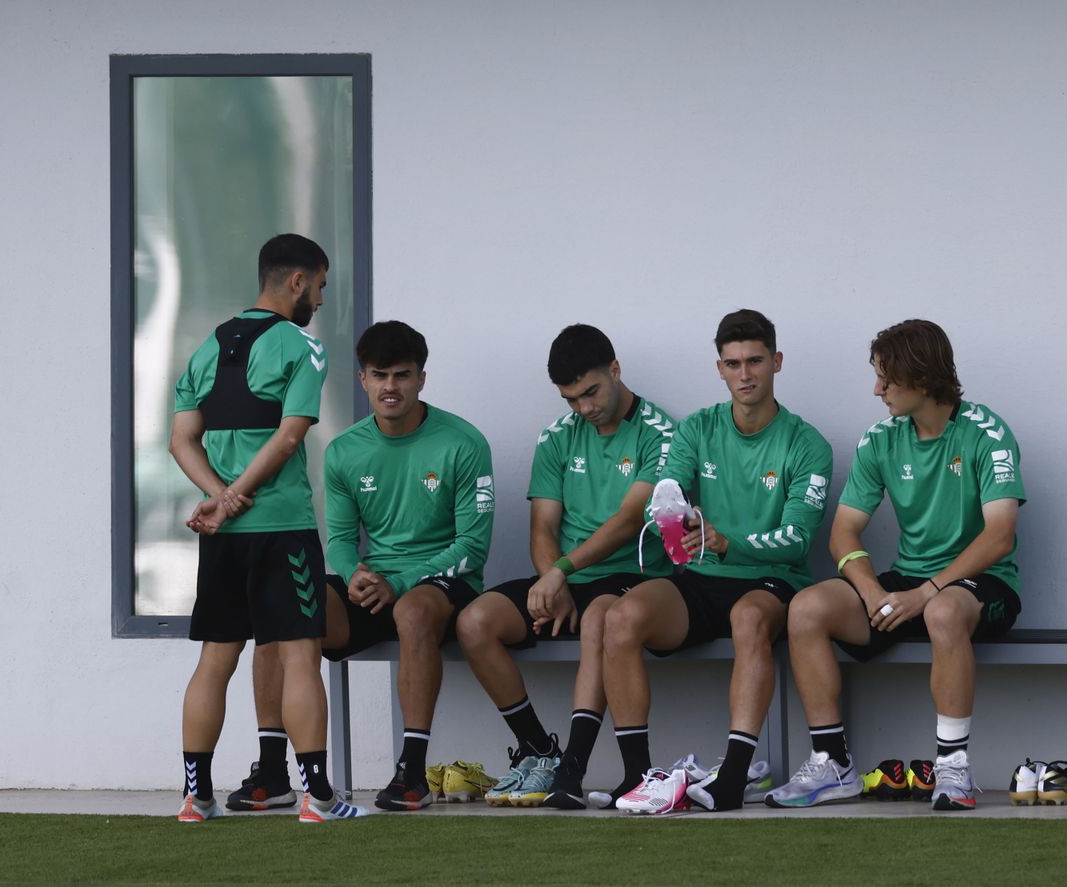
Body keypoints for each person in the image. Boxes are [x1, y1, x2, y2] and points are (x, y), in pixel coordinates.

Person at [764, 319, 1024, 811]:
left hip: (982, 585)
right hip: (910, 587)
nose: (877, 389)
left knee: (943, 611)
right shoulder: (881, 439)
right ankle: (832, 764)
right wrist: (871, 594)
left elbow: (999, 536)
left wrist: (925, 593)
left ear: (922, 378)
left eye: (886, 378)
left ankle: (953, 770)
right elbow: (843, 533)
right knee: (805, 608)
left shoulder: (986, 432)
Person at [601, 309, 833, 813]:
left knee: (748, 617)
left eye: (754, 361)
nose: (744, 374)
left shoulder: (808, 443)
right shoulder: (697, 429)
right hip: (702, 577)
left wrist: (726, 541)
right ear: (720, 368)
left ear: (776, 362)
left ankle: (732, 774)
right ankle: (637, 776)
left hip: (772, 579)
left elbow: (796, 541)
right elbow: (665, 494)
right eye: (733, 364)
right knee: (620, 617)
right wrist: (672, 519)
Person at [168, 233, 366, 823]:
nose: (323, 300)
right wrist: (231, 500)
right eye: (322, 286)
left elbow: (181, 440)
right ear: (298, 282)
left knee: (214, 660)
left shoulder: (206, 348)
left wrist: (217, 498)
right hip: (281, 530)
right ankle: (318, 799)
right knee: (301, 658)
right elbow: (288, 436)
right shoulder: (300, 346)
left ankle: (195, 799)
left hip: (222, 539)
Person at [455, 324, 676, 809]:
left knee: (599, 614)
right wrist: (553, 581)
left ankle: (574, 771)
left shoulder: (661, 433)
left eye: (591, 392)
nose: (584, 408)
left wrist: (560, 573)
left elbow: (628, 520)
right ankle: (541, 751)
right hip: (567, 575)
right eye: (571, 398)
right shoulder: (558, 436)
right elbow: (542, 527)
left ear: (616, 371)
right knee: (474, 622)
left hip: (633, 577)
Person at [320, 320, 495, 811]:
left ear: (422, 378)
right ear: (363, 380)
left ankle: (411, 772)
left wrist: (397, 582)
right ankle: (292, 769)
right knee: (293, 605)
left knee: (413, 611)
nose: (390, 387)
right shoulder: (344, 451)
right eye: (380, 375)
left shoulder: (463, 441)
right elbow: (337, 539)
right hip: (377, 585)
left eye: (402, 375)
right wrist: (355, 575)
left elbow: (472, 545)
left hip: (444, 583)